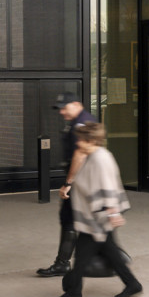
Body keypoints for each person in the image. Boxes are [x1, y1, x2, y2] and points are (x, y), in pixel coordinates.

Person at [51, 121, 141, 297]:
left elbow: (108, 186)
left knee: (82, 256)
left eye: (81, 140)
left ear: (91, 140)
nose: (78, 143)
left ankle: (74, 292)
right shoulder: (93, 155)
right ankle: (132, 283)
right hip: (94, 216)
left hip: (97, 217)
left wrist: (112, 213)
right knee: (109, 252)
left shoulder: (101, 159)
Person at [37, 93, 96, 278]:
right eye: (60, 108)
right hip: (83, 180)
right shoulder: (79, 121)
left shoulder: (83, 122)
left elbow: (80, 154)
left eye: (65, 107)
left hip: (81, 181)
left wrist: (68, 183)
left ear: (77, 104)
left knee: (73, 220)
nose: (62, 112)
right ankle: (64, 263)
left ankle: (64, 264)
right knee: (72, 220)